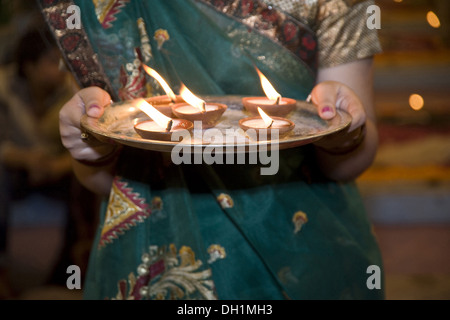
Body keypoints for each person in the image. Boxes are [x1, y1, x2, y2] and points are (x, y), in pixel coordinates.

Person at [44, 0, 384, 299]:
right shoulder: (102, 6)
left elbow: (350, 163)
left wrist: (342, 131)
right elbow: (102, 182)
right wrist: (92, 145)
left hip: (301, 241)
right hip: (152, 256)